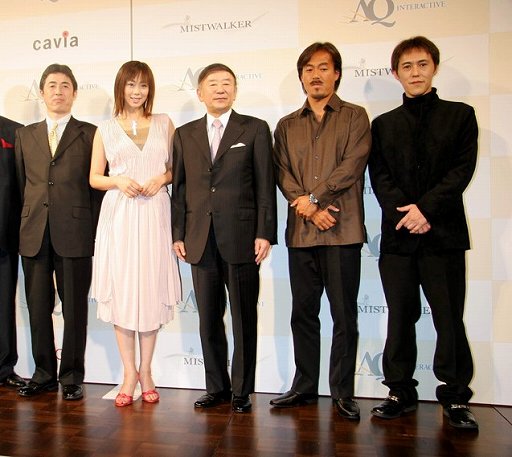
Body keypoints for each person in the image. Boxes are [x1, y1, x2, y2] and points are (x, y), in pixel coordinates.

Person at [368, 36, 478, 429]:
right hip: (398, 238)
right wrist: (408, 213)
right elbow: (380, 177)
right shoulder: (383, 125)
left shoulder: (460, 116)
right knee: (400, 316)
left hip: (443, 236)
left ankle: (456, 396)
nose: (415, 73)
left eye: (422, 64)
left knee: (448, 318)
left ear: (434, 68)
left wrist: (426, 210)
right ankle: (399, 390)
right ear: (395, 73)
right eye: (407, 66)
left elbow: (461, 171)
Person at [270, 42, 371, 421]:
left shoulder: (355, 117)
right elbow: (282, 172)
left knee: (344, 316)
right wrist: (308, 207)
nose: (316, 75)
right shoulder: (286, 125)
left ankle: (343, 392)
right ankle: (304, 386)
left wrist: (314, 199)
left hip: (342, 231)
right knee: (303, 314)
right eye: (309, 69)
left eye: (324, 68)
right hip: (302, 234)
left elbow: (352, 166)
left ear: (337, 73)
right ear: (301, 76)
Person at [171, 63, 277, 413]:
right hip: (199, 239)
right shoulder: (184, 134)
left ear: (235, 90)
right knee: (208, 319)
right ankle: (216, 387)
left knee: (244, 318)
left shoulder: (255, 128)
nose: (220, 89)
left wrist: (264, 232)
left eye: (227, 83)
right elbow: (180, 189)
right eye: (213, 84)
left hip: (242, 238)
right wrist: (178, 233)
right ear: (200, 93)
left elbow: (265, 185)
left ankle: (242, 391)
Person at [89, 61, 181, 407]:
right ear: (121, 88)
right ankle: (129, 373)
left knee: (151, 290)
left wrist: (162, 178)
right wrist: (117, 180)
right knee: (123, 292)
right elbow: (95, 177)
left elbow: (175, 168)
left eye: (143, 85)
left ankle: (147, 371)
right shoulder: (105, 129)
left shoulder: (164, 123)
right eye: (131, 85)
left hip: (155, 213)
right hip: (121, 216)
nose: (137, 91)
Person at [15, 64, 102, 401]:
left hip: (76, 232)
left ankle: (72, 377)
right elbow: (22, 185)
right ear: (42, 92)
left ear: (75, 93)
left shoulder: (91, 133)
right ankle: (43, 374)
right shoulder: (25, 135)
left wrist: (94, 231)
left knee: (75, 309)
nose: (58, 91)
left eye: (65, 85)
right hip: (33, 232)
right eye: (52, 85)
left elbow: (96, 189)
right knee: (38, 307)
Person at [0, 115, 26, 390]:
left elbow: (23, 186)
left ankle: (4, 367)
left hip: (4, 236)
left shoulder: (14, 131)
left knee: (4, 306)